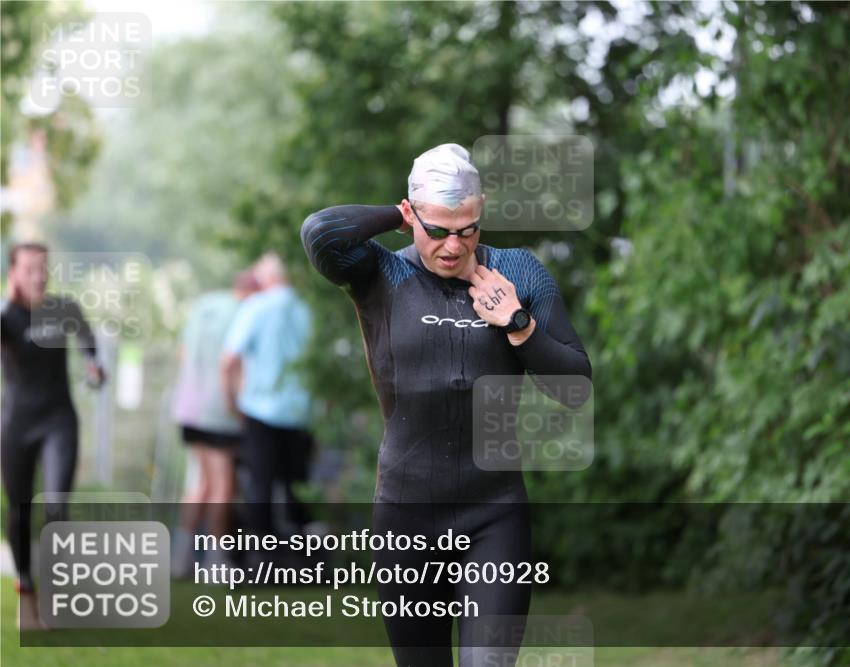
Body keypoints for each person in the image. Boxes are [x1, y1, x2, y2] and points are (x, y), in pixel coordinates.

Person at [300, 143, 591, 667]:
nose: (454, 246)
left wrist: (518, 324)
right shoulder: (381, 275)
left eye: (468, 228)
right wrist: (399, 213)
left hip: (494, 516)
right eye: (437, 230)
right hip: (406, 517)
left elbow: (575, 385)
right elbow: (322, 233)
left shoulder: (518, 273)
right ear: (412, 216)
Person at [1, 242, 106, 629]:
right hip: (16, 425)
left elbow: (89, 346)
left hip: (58, 420)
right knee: (19, 511)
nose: (38, 276)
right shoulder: (6, 316)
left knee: (56, 506)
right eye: (29, 269)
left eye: (43, 268)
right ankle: (25, 589)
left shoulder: (64, 309)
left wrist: (94, 368)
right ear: (13, 272)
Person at [221, 253, 314, 546]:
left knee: (259, 485)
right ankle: (304, 560)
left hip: (260, 409)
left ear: (266, 277)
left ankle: (262, 557)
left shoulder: (256, 307)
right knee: (297, 486)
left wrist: (232, 401)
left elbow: (228, 360)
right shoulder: (307, 309)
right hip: (301, 412)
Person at [170, 270, 259, 576]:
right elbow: (233, 364)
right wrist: (236, 408)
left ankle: (180, 560)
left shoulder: (205, 304)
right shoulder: (243, 313)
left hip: (189, 408)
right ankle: (216, 561)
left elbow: (182, 352)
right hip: (219, 412)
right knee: (224, 485)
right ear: (252, 292)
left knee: (201, 483)